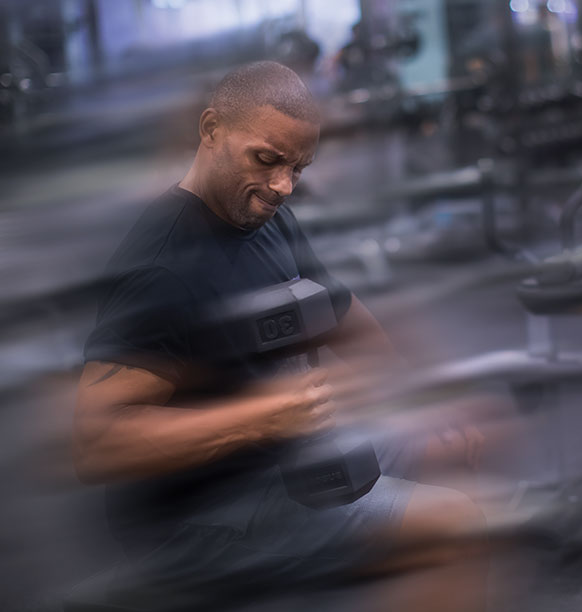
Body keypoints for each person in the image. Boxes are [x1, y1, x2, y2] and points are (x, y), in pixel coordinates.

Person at [73, 61, 490, 611]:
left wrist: (422, 397)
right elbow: (95, 442)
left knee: (444, 444)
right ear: (210, 130)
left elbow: (339, 309)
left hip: (288, 457)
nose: (283, 186)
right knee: (459, 526)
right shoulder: (163, 265)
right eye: (267, 160)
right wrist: (261, 418)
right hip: (200, 510)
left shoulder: (262, 217)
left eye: (298, 167)